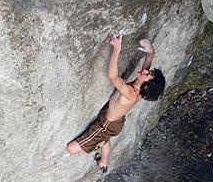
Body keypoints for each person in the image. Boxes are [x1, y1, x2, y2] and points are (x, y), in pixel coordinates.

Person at [66, 33, 166, 173]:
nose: (145, 70)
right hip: (114, 121)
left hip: (106, 124)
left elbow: (113, 76)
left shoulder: (132, 93)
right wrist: (151, 52)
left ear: (147, 86)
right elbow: (148, 60)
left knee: (71, 148)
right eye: (148, 71)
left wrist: (117, 48)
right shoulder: (141, 87)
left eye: (147, 74)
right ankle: (104, 162)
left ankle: (99, 148)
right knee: (105, 137)